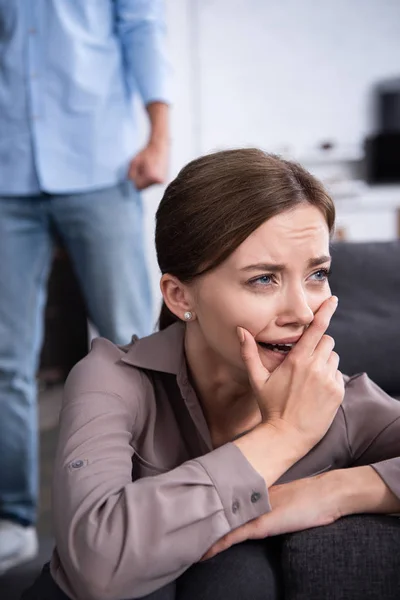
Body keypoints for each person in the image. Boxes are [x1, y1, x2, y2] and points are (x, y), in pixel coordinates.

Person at [22, 149, 400, 600]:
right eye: (264, 279)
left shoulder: (341, 403)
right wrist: (283, 436)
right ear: (181, 296)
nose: (302, 311)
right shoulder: (111, 379)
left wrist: (337, 490)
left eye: (317, 274)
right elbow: (99, 565)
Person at [0, 0, 170, 574]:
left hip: (101, 161)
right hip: (6, 171)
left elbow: (142, 27)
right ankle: (13, 519)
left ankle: (157, 494)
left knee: (136, 344)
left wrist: (159, 135)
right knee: (4, 359)